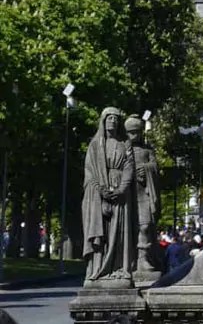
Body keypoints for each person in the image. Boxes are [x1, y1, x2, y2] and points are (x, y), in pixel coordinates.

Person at [82, 107, 135, 286]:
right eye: (109, 118)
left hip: (120, 193)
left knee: (119, 233)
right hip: (99, 194)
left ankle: (119, 269)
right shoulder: (95, 145)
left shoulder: (125, 144)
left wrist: (121, 189)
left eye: (115, 118)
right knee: (101, 233)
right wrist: (100, 190)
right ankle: (97, 269)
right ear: (103, 121)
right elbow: (89, 172)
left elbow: (129, 168)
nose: (112, 121)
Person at [124, 115, 160, 274]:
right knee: (128, 227)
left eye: (137, 132)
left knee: (145, 225)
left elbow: (155, 167)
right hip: (127, 194)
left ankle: (143, 257)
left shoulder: (147, 150)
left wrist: (146, 169)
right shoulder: (123, 150)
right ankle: (129, 258)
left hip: (143, 193)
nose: (134, 136)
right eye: (131, 133)